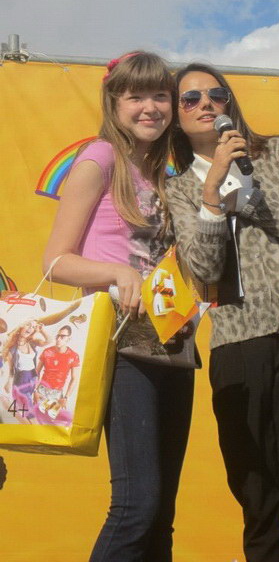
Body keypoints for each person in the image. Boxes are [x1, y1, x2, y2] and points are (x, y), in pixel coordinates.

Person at [167, 63, 279, 562]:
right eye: (190, 99)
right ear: (178, 118)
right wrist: (212, 197)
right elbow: (203, 270)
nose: (206, 103)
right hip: (236, 341)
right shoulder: (178, 188)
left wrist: (250, 203)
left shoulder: (276, 151)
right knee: (257, 498)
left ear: (230, 102)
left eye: (216, 94)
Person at [43, 51, 194, 562]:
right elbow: (56, 261)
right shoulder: (100, 157)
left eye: (160, 96)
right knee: (136, 506)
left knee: (162, 516)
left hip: (172, 344)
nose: (150, 107)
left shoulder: (166, 172)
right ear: (114, 102)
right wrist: (117, 273)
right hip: (120, 344)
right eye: (136, 96)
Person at [2, 319, 50, 422]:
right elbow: (11, 369)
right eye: (28, 325)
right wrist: (8, 383)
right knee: (30, 414)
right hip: (22, 381)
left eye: (33, 327)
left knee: (31, 411)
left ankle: (29, 426)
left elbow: (49, 341)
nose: (30, 328)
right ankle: (32, 427)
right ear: (21, 327)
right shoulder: (13, 347)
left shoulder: (32, 343)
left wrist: (42, 330)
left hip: (32, 379)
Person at [33, 324, 80, 424]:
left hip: (57, 394)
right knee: (37, 421)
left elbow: (74, 379)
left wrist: (66, 397)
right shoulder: (47, 352)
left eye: (62, 336)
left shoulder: (73, 356)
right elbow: (37, 372)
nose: (58, 339)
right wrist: (35, 391)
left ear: (69, 338)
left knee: (51, 423)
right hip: (41, 391)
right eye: (58, 336)